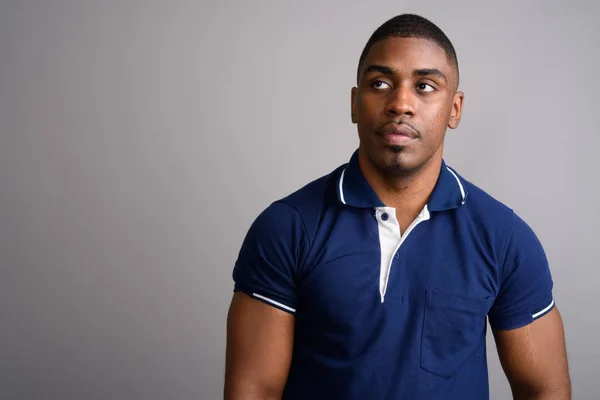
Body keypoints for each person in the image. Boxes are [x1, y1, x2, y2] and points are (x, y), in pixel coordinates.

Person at [224, 14, 571, 400]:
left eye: (424, 86)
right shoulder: (287, 228)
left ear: (454, 109)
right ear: (355, 104)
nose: (400, 103)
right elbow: (253, 390)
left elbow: (545, 390)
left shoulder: (504, 238)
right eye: (380, 84)